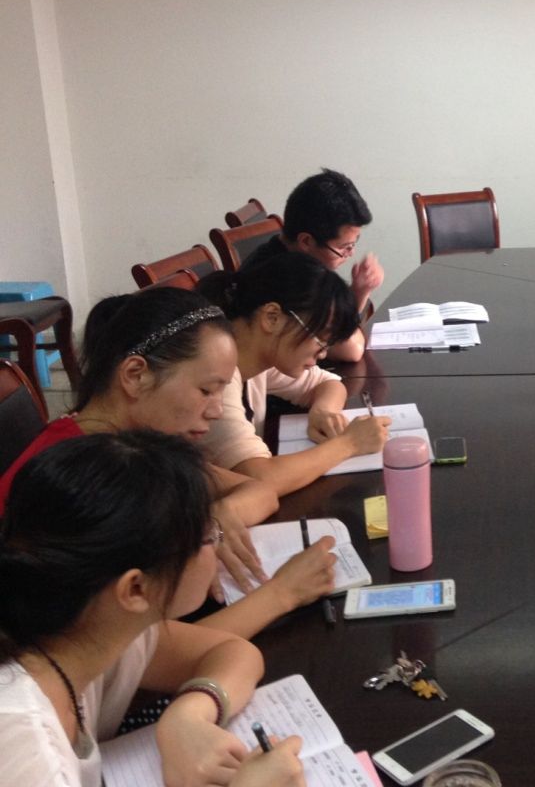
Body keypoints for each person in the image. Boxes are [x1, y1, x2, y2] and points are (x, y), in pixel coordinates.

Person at [0, 287, 337, 639]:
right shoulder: (89, 480)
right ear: (136, 375)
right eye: (206, 390)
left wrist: (215, 519)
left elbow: (259, 490)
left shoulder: (138, 445)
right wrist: (283, 593)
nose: (216, 410)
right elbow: (137, 652)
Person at [0, 431, 306, 786]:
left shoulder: (89, 626)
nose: (216, 547)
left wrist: (186, 717)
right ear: (135, 588)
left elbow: (233, 652)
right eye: (208, 536)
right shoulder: (23, 747)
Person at [196, 252, 390, 489]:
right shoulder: (215, 379)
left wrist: (323, 411)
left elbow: (328, 383)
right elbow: (260, 479)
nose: (323, 354)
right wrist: (350, 444)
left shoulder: (257, 357)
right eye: (320, 339)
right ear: (272, 318)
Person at [241, 169, 382, 362]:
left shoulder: (283, 252)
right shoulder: (285, 278)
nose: (350, 254)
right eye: (344, 247)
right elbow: (350, 349)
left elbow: (335, 327)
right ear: (306, 241)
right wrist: (358, 294)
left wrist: (359, 291)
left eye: (353, 244)